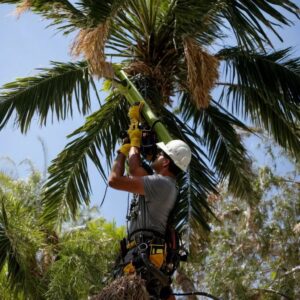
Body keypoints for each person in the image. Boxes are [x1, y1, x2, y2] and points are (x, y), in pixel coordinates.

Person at [108, 104, 191, 299]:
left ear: (166, 162)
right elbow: (136, 168)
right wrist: (135, 137)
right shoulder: (163, 185)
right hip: (141, 259)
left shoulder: (162, 185)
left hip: (142, 261)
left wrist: (124, 149)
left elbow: (114, 180)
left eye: (160, 154)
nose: (157, 154)